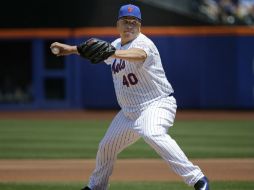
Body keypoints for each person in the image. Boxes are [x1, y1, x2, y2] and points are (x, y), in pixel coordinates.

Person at [50, 4, 210, 190]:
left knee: (151, 132)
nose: (130, 26)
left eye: (134, 23)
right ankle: (96, 187)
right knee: (106, 147)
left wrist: (112, 52)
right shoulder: (116, 45)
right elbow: (92, 50)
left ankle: (198, 179)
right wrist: (69, 49)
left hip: (156, 104)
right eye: (125, 22)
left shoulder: (143, 43)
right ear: (117, 25)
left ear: (140, 27)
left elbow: (138, 55)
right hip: (128, 113)